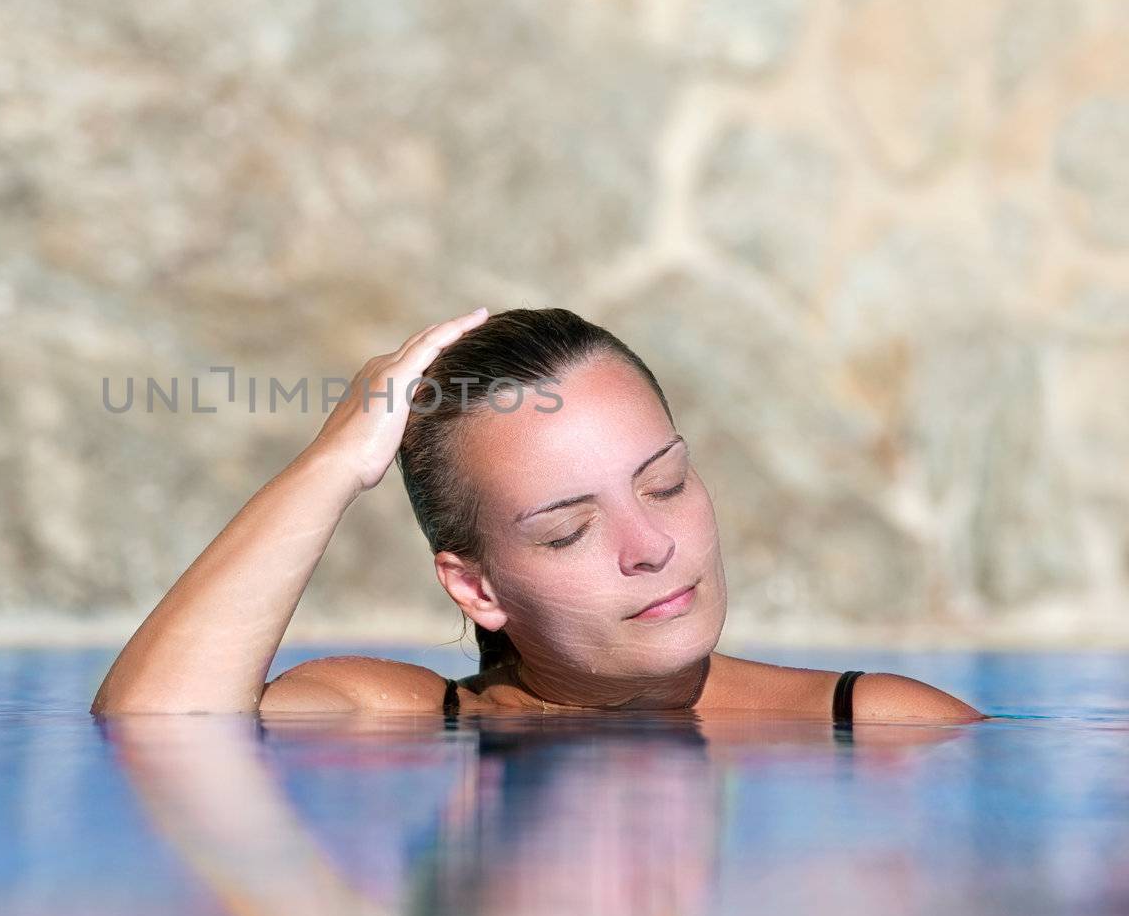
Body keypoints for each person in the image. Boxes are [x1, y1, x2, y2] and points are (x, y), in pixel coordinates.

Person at [91, 307, 985, 724]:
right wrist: (332, 467)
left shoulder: (882, 729)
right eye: (569, 529)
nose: (653, 546)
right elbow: (156, 726)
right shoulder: (390, 716)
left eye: (665, 483)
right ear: (476, 587)